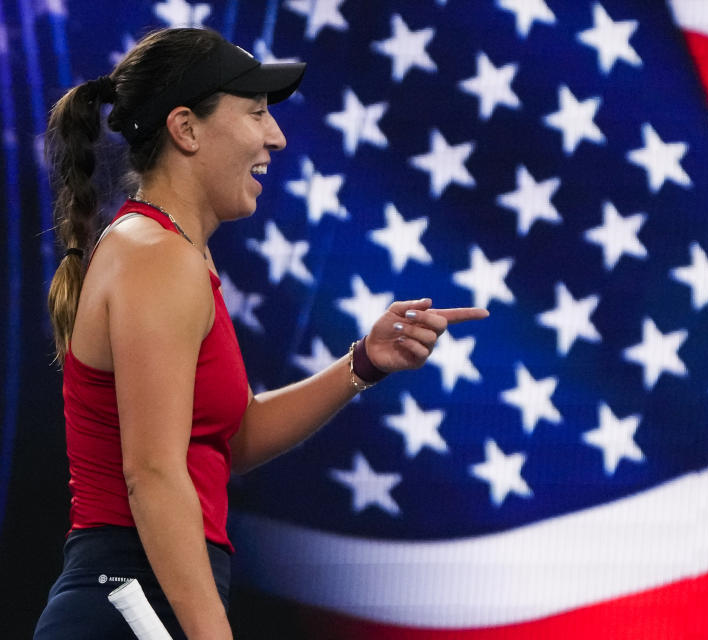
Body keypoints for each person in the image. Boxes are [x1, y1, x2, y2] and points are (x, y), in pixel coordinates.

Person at [34, 27, 488, 639]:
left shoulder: (173, 254)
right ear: (186, 129)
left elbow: (232, 438)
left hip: (148, 593)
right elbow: (152, 473)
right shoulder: (154, 256)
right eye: (255, 114)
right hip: (131, 599)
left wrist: (363, 364)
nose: (275, 136)